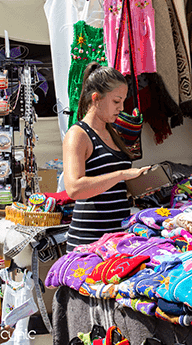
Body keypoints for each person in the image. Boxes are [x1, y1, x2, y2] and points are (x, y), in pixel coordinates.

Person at [63, 63, 149, 252]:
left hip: (117, 239)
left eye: (123, 101)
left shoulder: (113, 132)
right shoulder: (78, 134)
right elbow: (74, 189)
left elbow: (113, 188)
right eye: (116, 101)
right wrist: (121, 174)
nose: (121, 108)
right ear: (96, 98)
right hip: (88, 242)